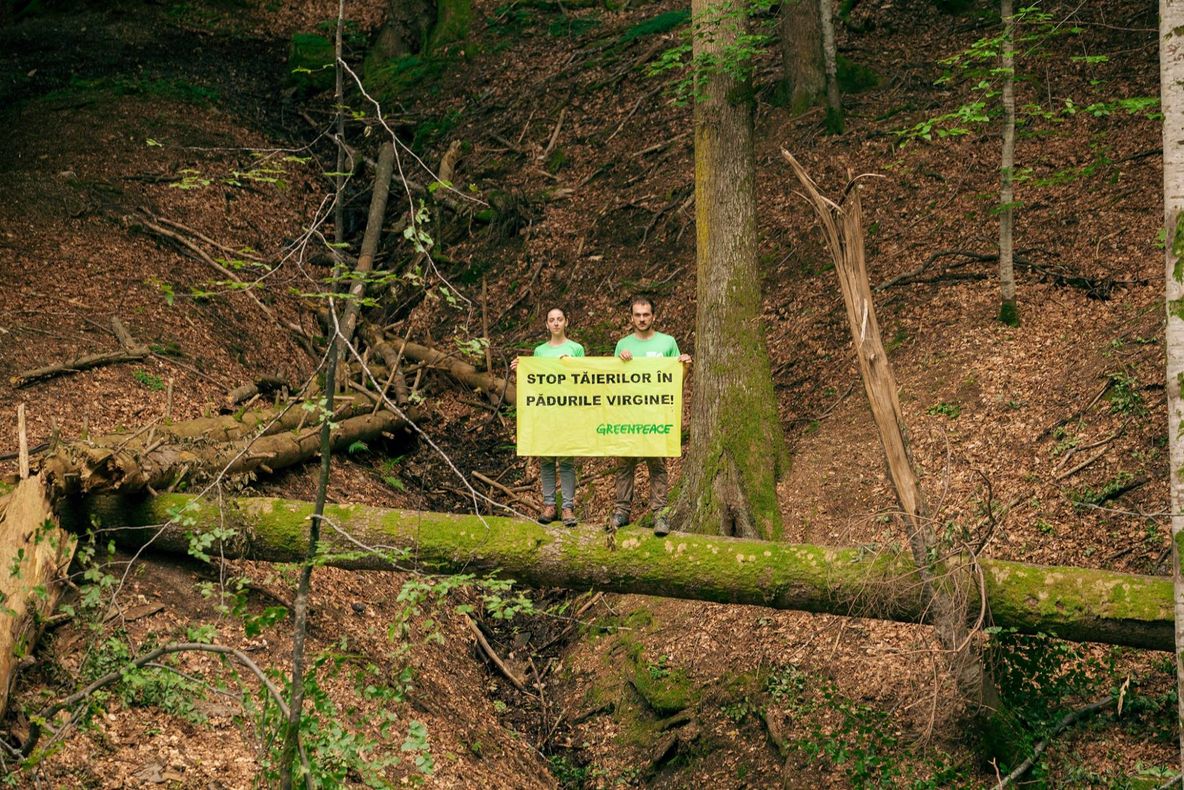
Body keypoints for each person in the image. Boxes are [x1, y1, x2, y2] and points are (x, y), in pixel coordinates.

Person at [612, 296, 691, 537]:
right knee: (625, 464)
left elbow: (676, 379)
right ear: (631, 318)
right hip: (629, 415)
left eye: (646, 314)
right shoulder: (623, 344)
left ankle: (660, 514)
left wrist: (685, 366)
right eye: (638, 315)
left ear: (653, 316)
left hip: (656, 415)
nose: (642, 319)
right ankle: (621, 512)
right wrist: (620, 361)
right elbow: (613, 381)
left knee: (657, 465)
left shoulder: (667, 342)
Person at [511, 307, 584, 527]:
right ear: (546, 324)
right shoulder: (540, 351)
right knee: (547, 460)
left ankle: (568, 507)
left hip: (568, 412)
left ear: (566, 322)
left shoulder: (576, 349)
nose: (556, 323)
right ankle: (550, 505)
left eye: (559, 319)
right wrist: (520, 371)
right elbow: (535, 382)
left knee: (567, 462)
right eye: (552, 320)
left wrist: (572, 366)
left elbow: (585, 380)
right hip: (546, 413)